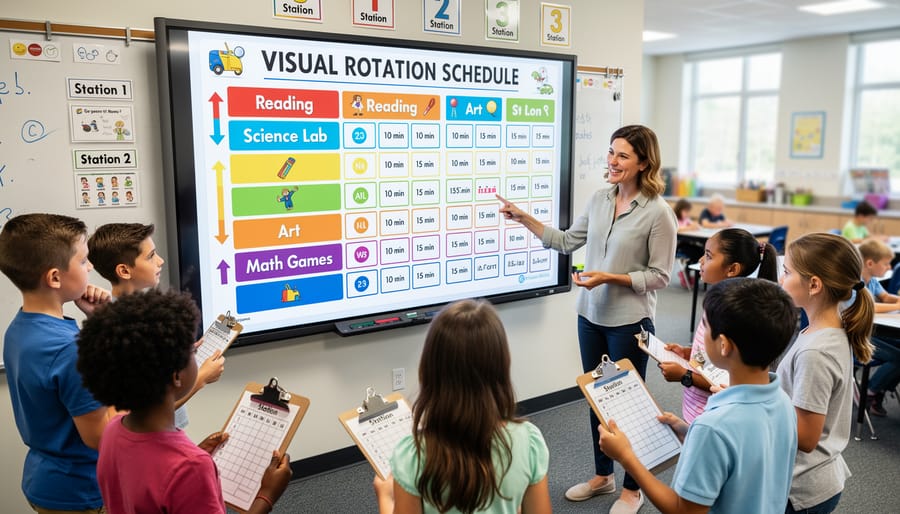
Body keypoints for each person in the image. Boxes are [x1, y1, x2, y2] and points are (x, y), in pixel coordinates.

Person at [498, 124, 677, 512]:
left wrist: (609, 277)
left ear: (644, 162)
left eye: (623, 155)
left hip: (630, 322)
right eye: (611, 152)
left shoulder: (659, 214)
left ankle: (634, 487)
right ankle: (603, 477)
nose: (612, 161)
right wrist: (523, 218)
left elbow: (661, 276)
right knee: (597, 401)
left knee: (630, 405)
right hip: (590, 316)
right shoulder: (599, 199)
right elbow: (565, 240)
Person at [76, 289, 292, 514]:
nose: (197, 353)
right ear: (176, 376)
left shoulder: (113, 431)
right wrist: (266, 496)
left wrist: (192, 454)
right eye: (192, 350)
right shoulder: (192, 467)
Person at [600, 278, 799, 514]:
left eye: (705, 325)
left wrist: (626, 457)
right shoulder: (784, 401)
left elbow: (683, 510)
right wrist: (689, 430)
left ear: (724, 345)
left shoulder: (713, 428)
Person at [373, 299, 552, 514]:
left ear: (429, 370)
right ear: (501, 366)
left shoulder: (412, 456)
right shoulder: (529, 441)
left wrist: (384, 496)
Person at [0, 213, 114, 512]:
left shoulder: (19, 328)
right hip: (80, 492)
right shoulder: (68, 349)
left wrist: (98, 322)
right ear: (54, 277)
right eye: (84, 261)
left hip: (45, 480)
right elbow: (101, 437)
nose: (90, 268)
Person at [88, 223, 225, 429]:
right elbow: (143, 411)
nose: (160, 261)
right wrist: (201, 377)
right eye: (151, 256)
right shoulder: (123, 330)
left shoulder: (139, 316)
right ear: (124, 270)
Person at [778, 232, 875, 513]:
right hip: (811, 476)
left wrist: (758, 410)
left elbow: (807, 438)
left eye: (787, 272)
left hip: (801, 487)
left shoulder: (816, 351)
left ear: (815, 285)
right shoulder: (820, 331)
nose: (781, 279)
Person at [659, 228, 779, 423]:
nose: (701, 260)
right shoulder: (717, 303)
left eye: (708, 255)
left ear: (732, 269)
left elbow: (727, 382)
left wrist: (685, 376)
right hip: (695, 409)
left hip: (712, 416)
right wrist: (689, 353)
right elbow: (713, 357)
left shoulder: (734, 315)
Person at [857, 239, 900, 416]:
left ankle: (878, 390)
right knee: (899, 358)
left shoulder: (871, 280)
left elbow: (884, 297)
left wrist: (897, 300)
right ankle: (869, 391)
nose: (889, 268)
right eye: (886, 263)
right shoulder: (855, 282)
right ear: (869, 263)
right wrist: (898, 306)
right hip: (857, 337)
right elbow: (870, 306)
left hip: (870, 331)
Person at [673, 198, 702, 288]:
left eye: (688, 211)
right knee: (697, 254)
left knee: (701, 252)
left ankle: (688, 273)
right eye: (686, 211)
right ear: (679, 209)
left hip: (686, 244)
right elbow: (676, 229)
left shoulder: (685, 219)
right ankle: (687, 273)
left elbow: (695, 225)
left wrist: (694, 225)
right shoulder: (674, 218)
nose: (687, 213)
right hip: (677, 247)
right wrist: (689, 228)